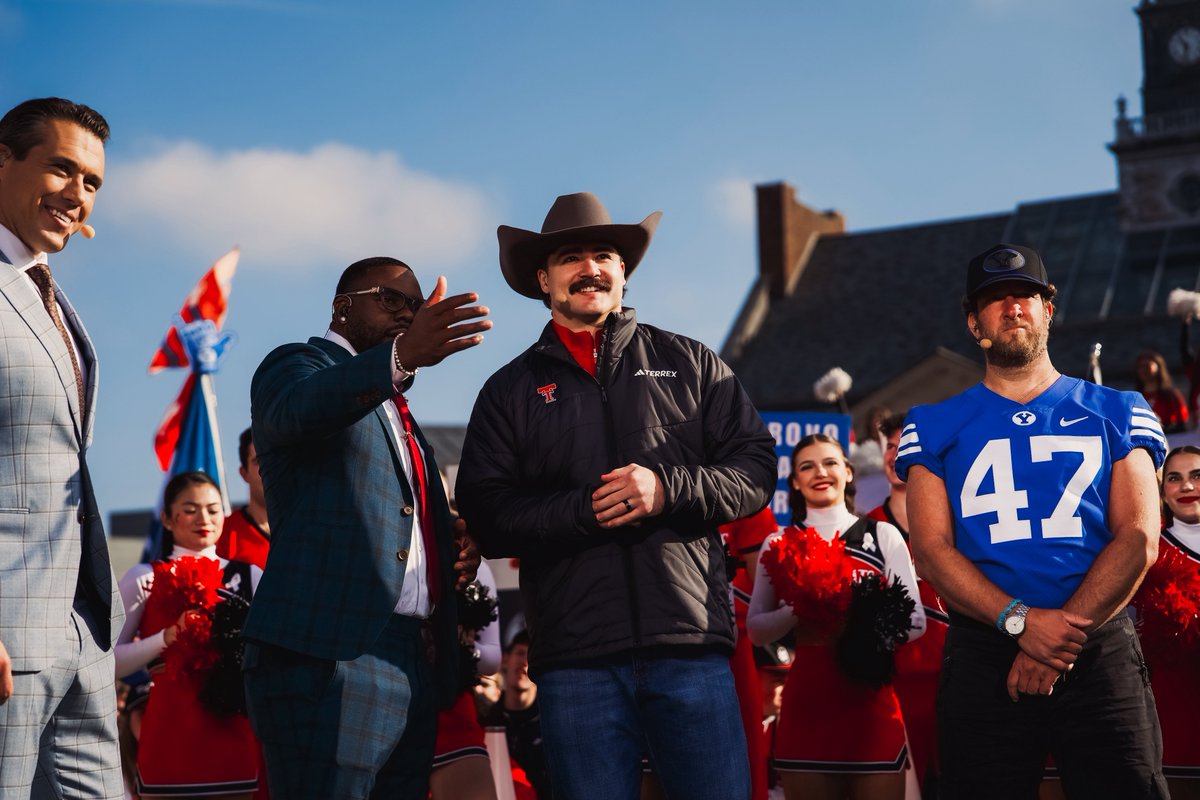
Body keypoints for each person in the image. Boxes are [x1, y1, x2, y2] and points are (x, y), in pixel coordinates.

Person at [456, 191, 777, 800]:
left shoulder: (692, 362)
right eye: (571, 257)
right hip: (575, 661)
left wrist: (665, 489)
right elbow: (488, 515)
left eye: (604, 254)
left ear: (624, 271)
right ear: (542, 277)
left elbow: (757, 468)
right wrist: (583, 509)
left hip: (690, 646)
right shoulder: (507, 391)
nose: (590, 269)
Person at [897, 243, 1168, 798]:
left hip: (1098, 646)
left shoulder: (1119, 408)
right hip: (984, 647)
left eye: (1025, 295)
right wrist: (1022, 624)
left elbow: (1140, 536)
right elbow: (931, 548)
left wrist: (1058, 636)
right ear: (975, 324)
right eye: (995, 299)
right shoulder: (932, 422)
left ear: (1049, 308)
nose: (1012, 307)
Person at [242, 256, 489, 799]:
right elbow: (299, 411)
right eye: (393, 300)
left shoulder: (400, 414)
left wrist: (447, 541)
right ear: (342, 307)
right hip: (329, 650)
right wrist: (402, 357)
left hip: (412, 656)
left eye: (418, 307)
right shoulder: (296, 364)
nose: (408, 314)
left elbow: (392, 512)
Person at [0, 97, 124, 797]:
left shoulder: (50, 293)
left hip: (84, 632)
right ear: (3, 161)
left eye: (93, 183)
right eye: (61, 169)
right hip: (9, 634)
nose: (77, 195)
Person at [747, 433, 925, 800]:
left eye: (829, 463)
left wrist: (859, 618)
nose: (819, 472)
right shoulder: (778, 543)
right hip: (807, 706)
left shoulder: (883, 535)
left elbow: (917, 621)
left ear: (847, 471)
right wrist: (799, 608)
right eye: (806, 467)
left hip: (871, 705)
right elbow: (756, 631)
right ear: (795, 482)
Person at [115, 471, 262, 798]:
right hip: (170, 738)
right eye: (190, 509)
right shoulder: (144, 578)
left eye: (213, 509)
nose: (204, 518)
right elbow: (107, 662)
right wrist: (165, 638)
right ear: (167, 519)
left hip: (235, 738)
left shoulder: (250, 575)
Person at [865, 412, 948, 796]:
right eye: (890, 448)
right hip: (893, 679)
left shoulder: (957, 521)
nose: (895, 455)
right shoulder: (862, 529)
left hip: (955, 674)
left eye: (905, 447)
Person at [1141, 445, 1200, 799]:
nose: (1187, 486)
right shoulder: (1149, 549)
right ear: (1162, 492)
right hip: (1174, 703)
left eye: (1196, 475)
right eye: (1174, 479)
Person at [721, 505, 780, 800]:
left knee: (745, 752)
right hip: (663, 642)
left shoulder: (745, 498)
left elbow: (764, 594)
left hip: (736, 644)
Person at [430, 560, 502, 800]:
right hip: (384, 704)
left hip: (452, 710)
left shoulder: (470, 562)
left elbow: (492, 658)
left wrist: (457, 647)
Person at [481, 631, 554, 800]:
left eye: (530, 656)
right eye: (520, 653)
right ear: (505, 659)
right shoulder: (487, 721)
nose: (524, 662)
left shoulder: (550, 724)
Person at [216, 428, 270, 569]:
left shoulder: (313, 528)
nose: (269, 469)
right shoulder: (221, 535)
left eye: (275, 459)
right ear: (244, 473)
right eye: (259, 461)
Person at [1136, 350, 1188, 433]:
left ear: (1158, 367)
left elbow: (1182, 423)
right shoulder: (1135, 397)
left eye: (1147, 366)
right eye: (1140, 367)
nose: (1143, 370)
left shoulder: (1171, 394)